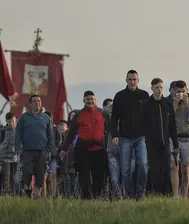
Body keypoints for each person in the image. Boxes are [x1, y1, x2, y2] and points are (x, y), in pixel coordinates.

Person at [60, 90, 107, 200]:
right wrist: (64, 149)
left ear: (95, 100)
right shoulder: (78, 115)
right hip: (83, 151)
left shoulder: (102, 113)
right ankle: (86, 199)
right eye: (88, 99)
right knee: (84, 178)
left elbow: (110, 129)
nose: (90, 101)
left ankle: (96, 197)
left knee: (99, 176)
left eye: (92, 99)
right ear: (84, 101)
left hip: (99, 150)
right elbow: (71, 134)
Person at [111, 70, 150, 200]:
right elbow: (114, 117)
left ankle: (141, 192)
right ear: (126, 80)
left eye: (134, 79)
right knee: (125, 169)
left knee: (143, 164)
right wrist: (114, 135)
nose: (132, 81)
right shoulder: (119, 96)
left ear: (138, 80)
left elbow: (149, 117)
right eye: (130, 79)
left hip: (141, 136)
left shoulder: (144, 95)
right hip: (124, 137)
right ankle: (129, 194)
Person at [142, 78, 179, 196]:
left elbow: (172, 125)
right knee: (154, 170)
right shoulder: (146, 104)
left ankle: (167, 194)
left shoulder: (167, 104)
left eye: (161, 88)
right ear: (152, 88)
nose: (159, 90)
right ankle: (154, 193)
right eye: (156, 87)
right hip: (152, 144)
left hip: (166, 143)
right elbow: (142, 124)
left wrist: (176, 144)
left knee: (166, 169)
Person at [15, 95, 53, 198]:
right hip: (27, 150)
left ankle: (36, 194)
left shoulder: (46, 118)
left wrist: (49, 149)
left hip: (42, 151)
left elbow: (50, 135)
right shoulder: (23, 117)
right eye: (35, 101)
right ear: (30, 104)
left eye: (39, 101)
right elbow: (18, 133)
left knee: (40, 173)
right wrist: (18, 148)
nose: (37, 103)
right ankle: (27, 187)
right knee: (27, 171)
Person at [170, 80, 189, 198]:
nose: (181, 95)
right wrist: (175, 103)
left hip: (188, 138)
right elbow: (167, 117)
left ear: (186, 90)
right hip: (175, 139)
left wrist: (187, 103)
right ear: (174, 91)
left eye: (183, 92)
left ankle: (184, 196)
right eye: (178, 92)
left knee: (186, 169)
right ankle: (175, 195)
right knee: (174, 166)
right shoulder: (170, 101)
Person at [0, 112, 18, 194]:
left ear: (16, 121)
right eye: (9, 121)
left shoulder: (18, 131)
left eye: (13, 121)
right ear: (6, 121)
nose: (11, 123)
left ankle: (13, 193)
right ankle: (6, 192)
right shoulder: (3, 131)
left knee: (14, 177)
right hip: (5, 157)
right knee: (6, 176)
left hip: (15, 157)